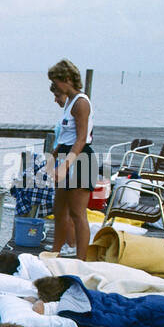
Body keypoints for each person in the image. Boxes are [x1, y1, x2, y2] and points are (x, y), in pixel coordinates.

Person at [46, 60, 95, 260]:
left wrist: (65, 166)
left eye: (56, 82)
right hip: (67, 155)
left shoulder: (81, 103)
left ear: (67, 79)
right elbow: (65, 138)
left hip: (81, 159)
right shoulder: (69, 103)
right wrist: (52, 159)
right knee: (59, 211)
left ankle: (81, 260)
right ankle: (54, 254)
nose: (55, 86)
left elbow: (81, 139)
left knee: (77, 213)